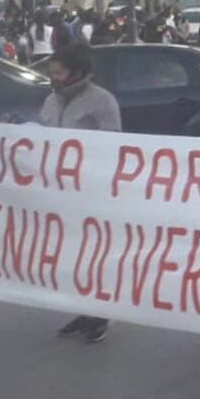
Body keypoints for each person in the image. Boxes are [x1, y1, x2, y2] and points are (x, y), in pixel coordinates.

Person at [43, 44, 123, 344]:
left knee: (94, 254)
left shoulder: (102, 102)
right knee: (70, 253)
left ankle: (101, 314)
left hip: (92, 191)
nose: (53, 78)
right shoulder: (51, 101)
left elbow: (112, 145)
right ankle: (81, 309)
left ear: (75, 73)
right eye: (51, 73)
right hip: (60, 192)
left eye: (58, 73)